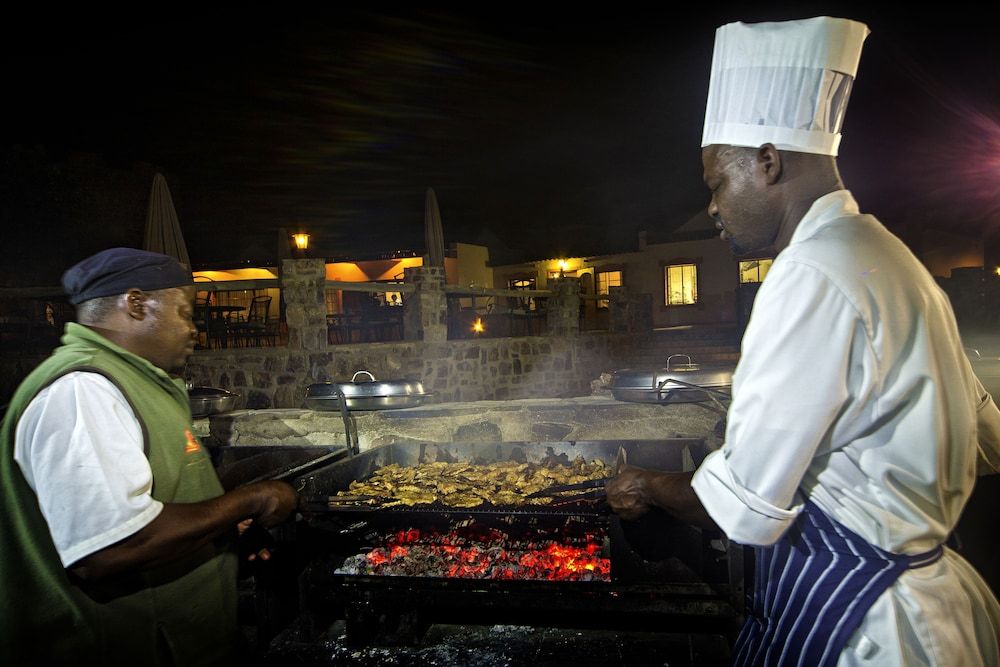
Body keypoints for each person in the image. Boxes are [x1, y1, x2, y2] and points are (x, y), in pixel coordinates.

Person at [606, 16, 1000, 666]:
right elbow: (984, 437)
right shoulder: (889, 256)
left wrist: (645, 484)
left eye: (717, 183)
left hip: (862, 628)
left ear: (768, 160)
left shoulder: (809, 273)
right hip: (932, 610)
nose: (712, 206)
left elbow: (742, 500)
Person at [0, 248, 300, 665]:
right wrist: (254, 499)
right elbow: (112, 547)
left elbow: (154, 499)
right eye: (184, 312)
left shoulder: (136, 380)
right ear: (136, 304)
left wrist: (219, 532)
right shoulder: (82, 391)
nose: (193, 329)